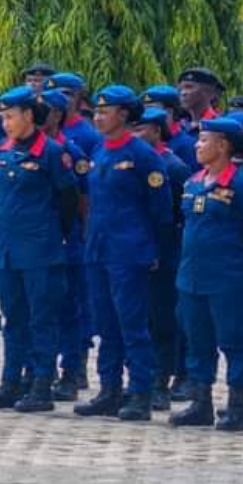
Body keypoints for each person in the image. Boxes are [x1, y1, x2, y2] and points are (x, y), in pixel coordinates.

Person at [169, 117, 243, 431]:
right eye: (199, 140)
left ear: (223, 145)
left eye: (205, 141)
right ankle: (200, 403)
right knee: (197, 341)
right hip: (192, 277)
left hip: (230, 279)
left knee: (235, 343)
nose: (198, 146)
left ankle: (237, 406)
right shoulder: (192, 182)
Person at [0, 86, 78, 413]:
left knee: (41, 318)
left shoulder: (51, 152)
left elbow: (69, 199)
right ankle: (10, 381)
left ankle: (41, 383)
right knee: (13, 318)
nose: (5, 124)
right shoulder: (3, 150)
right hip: (7, 248)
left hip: (41, 248)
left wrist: (55, 234)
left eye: (10, 117)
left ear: (29, 116)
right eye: (2, 117)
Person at [72, 85, 173, 421]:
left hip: (129, 251)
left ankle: (141, 392)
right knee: (106, 323)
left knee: (132, 323)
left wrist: (152, 248)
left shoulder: (143, 155)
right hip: (99, 248)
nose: (98, 117)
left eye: (105, 111)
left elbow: (161, 210)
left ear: (125, 115)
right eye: (97, 111)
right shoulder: (101, 150)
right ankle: (109, 389)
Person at [132, 107, 191, 411]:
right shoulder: (127, 160)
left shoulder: (173, 167)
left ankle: (160, 382)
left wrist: (161, 249)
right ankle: (138, 379)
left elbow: (176, 217)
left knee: (163, 321)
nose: (134, 134)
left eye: (140, 128)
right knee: (136, 319)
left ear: (156, 130)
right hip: (130, 251)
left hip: (162, 254)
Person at [37, 88, 92, 400]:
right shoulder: (21, 149)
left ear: (57, 115)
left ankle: (72, 370)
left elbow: (82, 201)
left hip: (64, 239)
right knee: (38, 308)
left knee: (68, 306)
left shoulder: (69, 153)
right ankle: (38, 369)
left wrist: (75, 234)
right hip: (33, 241)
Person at [142, 85, 198, 171]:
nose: (146, 115)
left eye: (151, 109)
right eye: (144, 110)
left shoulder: (187, 145)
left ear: (169, 112)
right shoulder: (147, 141)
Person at [45, 73, 102, 156]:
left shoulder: (89, 135)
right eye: (51, 94)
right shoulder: (39, 127)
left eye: (65, 94)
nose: (57, 98)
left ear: (78, 98)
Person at [177, 68, 224, 136]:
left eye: (189, 87)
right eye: (180, 89)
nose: (183, 93)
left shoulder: (219, 126)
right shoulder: (180, 126)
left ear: (207, 92)